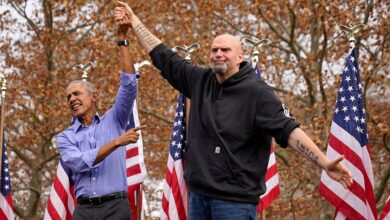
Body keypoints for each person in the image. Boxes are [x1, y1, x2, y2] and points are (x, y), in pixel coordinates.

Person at [114, 2, 353, 219]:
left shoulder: (258, 93)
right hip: (198, 197)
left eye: (225, 50)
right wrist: (134, 21)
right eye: (214, 49)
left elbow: (289, 131)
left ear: (240, 56)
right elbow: (163, 55)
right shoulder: (200, 80)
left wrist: (324, 162)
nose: (218, 53)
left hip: (235, 204)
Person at [56, 12, 142, 220]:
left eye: (77, 94)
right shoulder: (65, 137)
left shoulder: (115, 119)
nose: (72, 99)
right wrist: (116, 142)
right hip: (84, 210)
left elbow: (129, 84)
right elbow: (79, 163)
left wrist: (122, 41)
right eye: (68, 97)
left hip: (116, 207)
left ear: (94, 96)